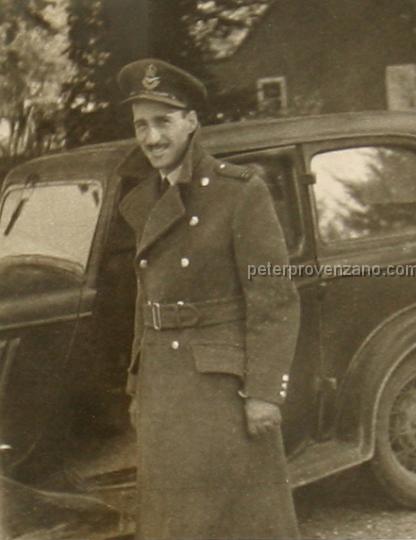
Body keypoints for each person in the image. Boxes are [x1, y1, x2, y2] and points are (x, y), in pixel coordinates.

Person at [115, 58, 301, 540]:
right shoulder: (143, 199)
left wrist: (263, 391)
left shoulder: (238, 193)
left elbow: (274, 295)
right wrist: (138, 381)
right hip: (163, 384)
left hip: (222, 388)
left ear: (192, 121)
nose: (152, 138)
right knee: (174, 522)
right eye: (142, 125)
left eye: (164, 121)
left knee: (238, 521)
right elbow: (146, 296)